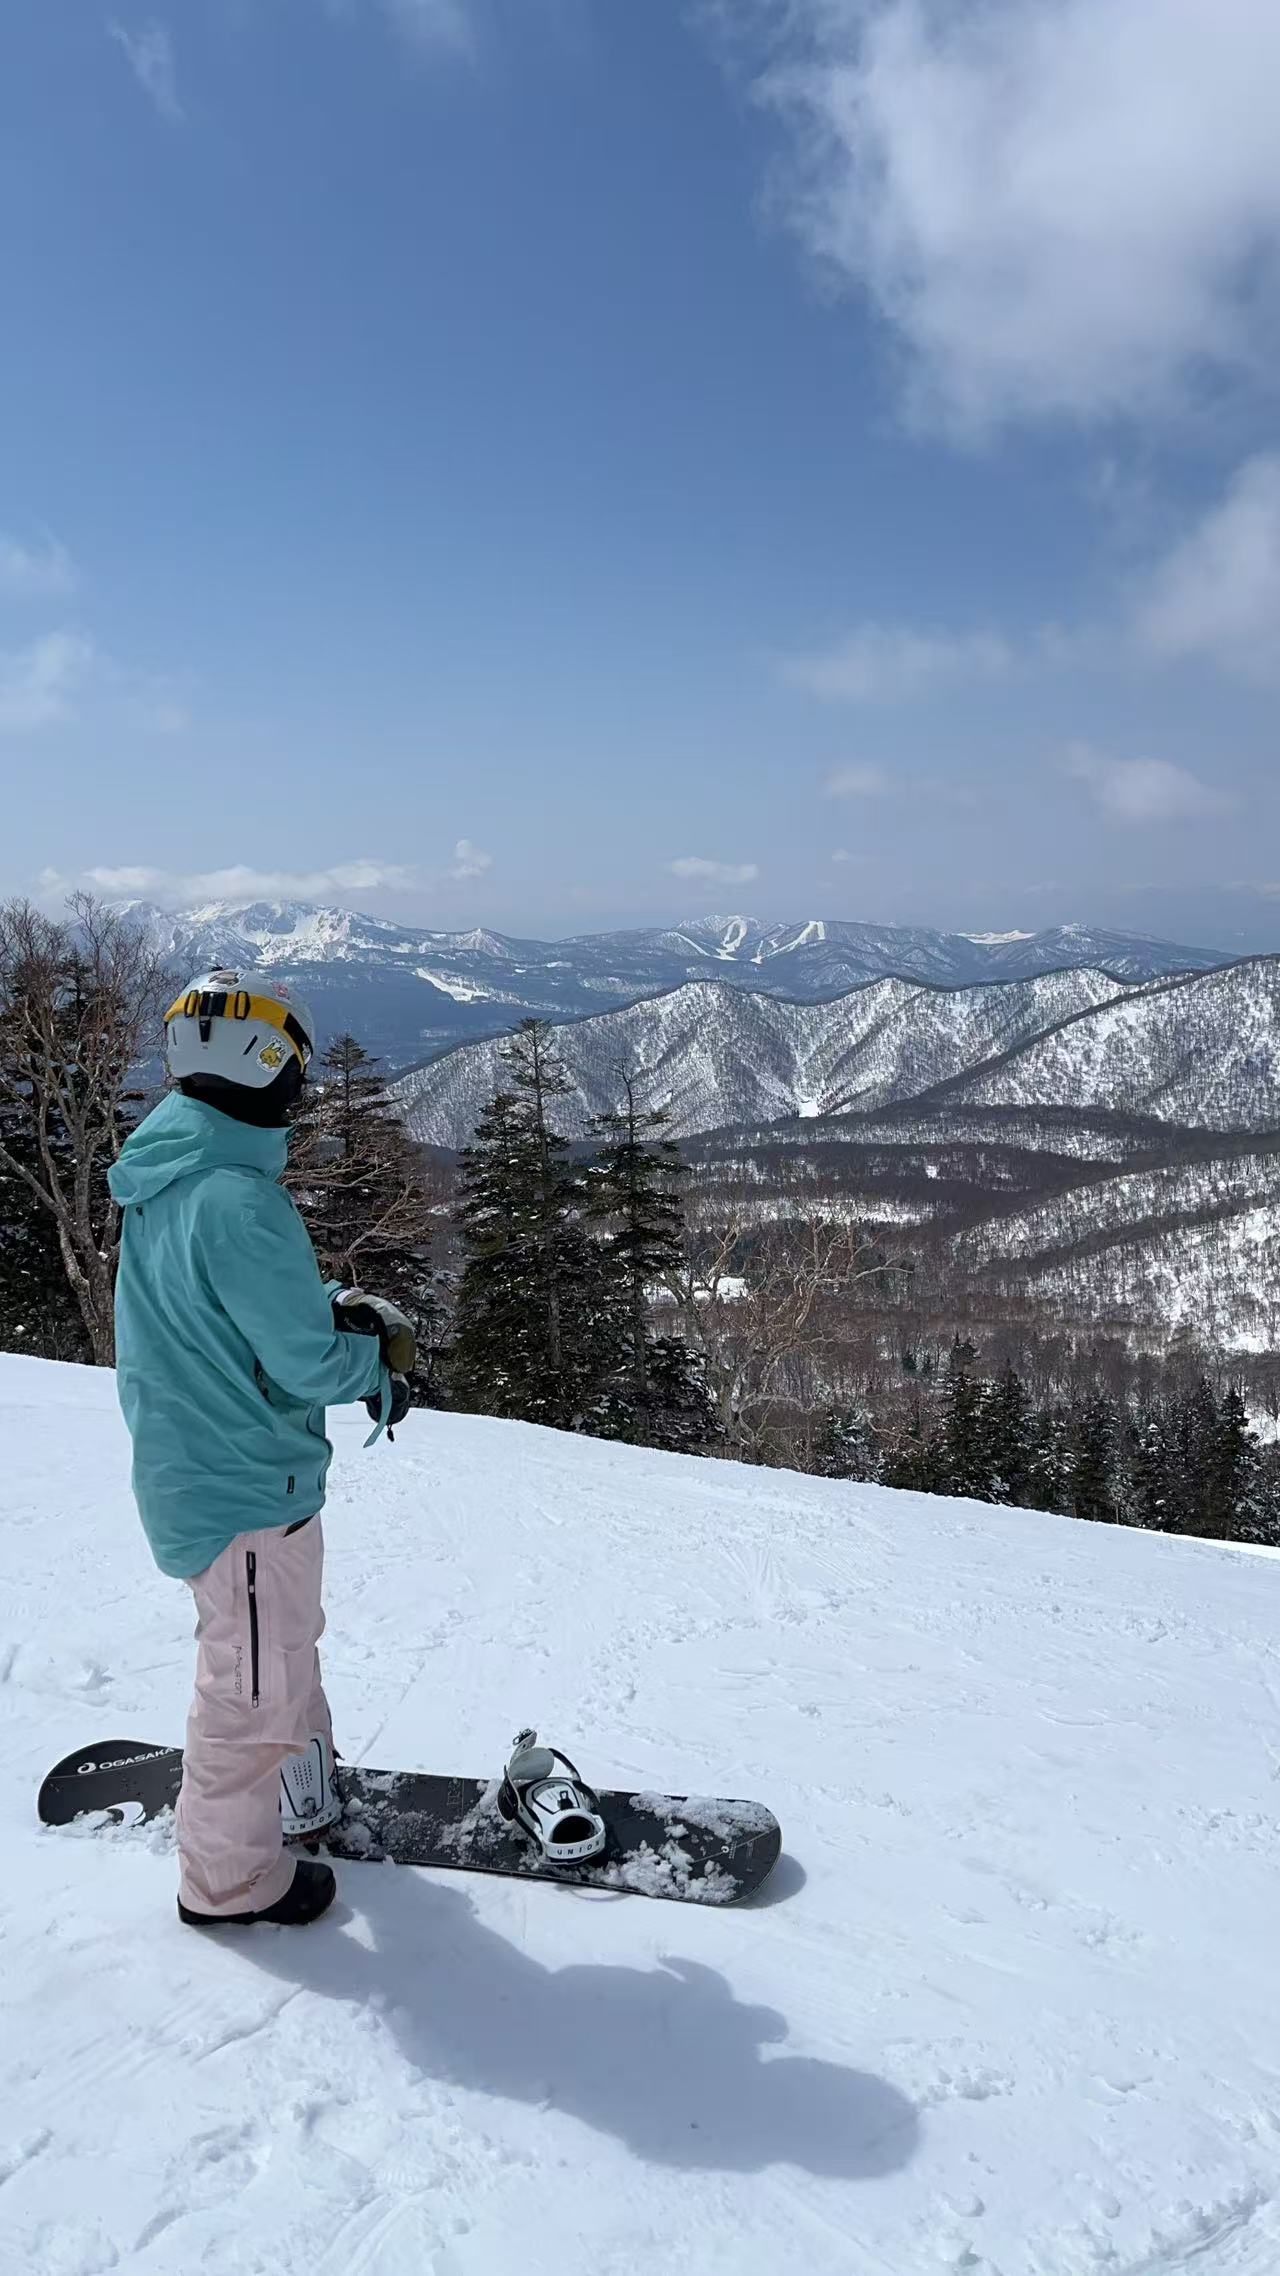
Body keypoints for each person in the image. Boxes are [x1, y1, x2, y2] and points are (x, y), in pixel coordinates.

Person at [109, 971, 416, 1929]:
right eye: (295, 1067)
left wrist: (322, 1316)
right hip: (242, 1481)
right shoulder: (238, 1196)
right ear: (265, 1062)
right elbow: (305, 1361)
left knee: (278, 1653)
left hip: (215, 1464)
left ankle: (302, 1795)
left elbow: (219, 1320)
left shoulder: (167, 1179)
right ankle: (229, 1884)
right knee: (247, 1689)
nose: (303, 1086)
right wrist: (377, 1364)